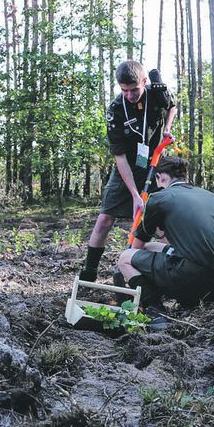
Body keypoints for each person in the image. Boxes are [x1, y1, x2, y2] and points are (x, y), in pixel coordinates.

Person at [80, 60, 178, 283]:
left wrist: (167, 129)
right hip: (128, 166)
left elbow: (172, 106)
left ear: (144, 82)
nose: (130, 95)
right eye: (124, 90)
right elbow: (120, 157)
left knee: (163, 222)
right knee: (105, 218)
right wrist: (134, 195)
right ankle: (88, 273)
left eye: (134, 90)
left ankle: (174, 268)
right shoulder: (116, 110)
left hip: (155, 162)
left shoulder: (156, 93)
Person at [116, 155, 214, 330]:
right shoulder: (210, 196)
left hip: (192, 279)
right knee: (152, 247)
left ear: (160, 177)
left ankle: (154, 311)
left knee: (125, 258)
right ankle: (182, 298)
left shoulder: (159, 198)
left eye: (158, 180)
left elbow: (136, 248)